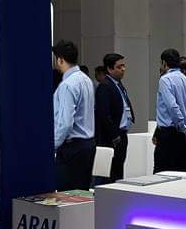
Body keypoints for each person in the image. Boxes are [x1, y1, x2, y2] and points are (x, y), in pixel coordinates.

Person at [52, 40, 96, 191]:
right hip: (88, 145)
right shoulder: (86, 80)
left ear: (60, 60)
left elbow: (65, 123)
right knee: (81, 195)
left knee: (66, 197)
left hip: (72, 148)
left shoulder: (67, 85)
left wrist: (53, 145)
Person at [153, 48, 186, 173]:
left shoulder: (165, 80)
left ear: (164, 63)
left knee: (162, 174)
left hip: (169, 136)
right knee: (182, 174)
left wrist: (184, 129)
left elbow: (172, 107)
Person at [95, 52, 135, 183]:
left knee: (118, 170)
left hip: (122, 134)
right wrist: (114, 135)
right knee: (111, 173)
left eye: (123, 66)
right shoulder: (104, 86)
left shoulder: (118, 85)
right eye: (119, 67)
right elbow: (104, 115)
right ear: (109, 68)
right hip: (112, 137)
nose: (123, 69)